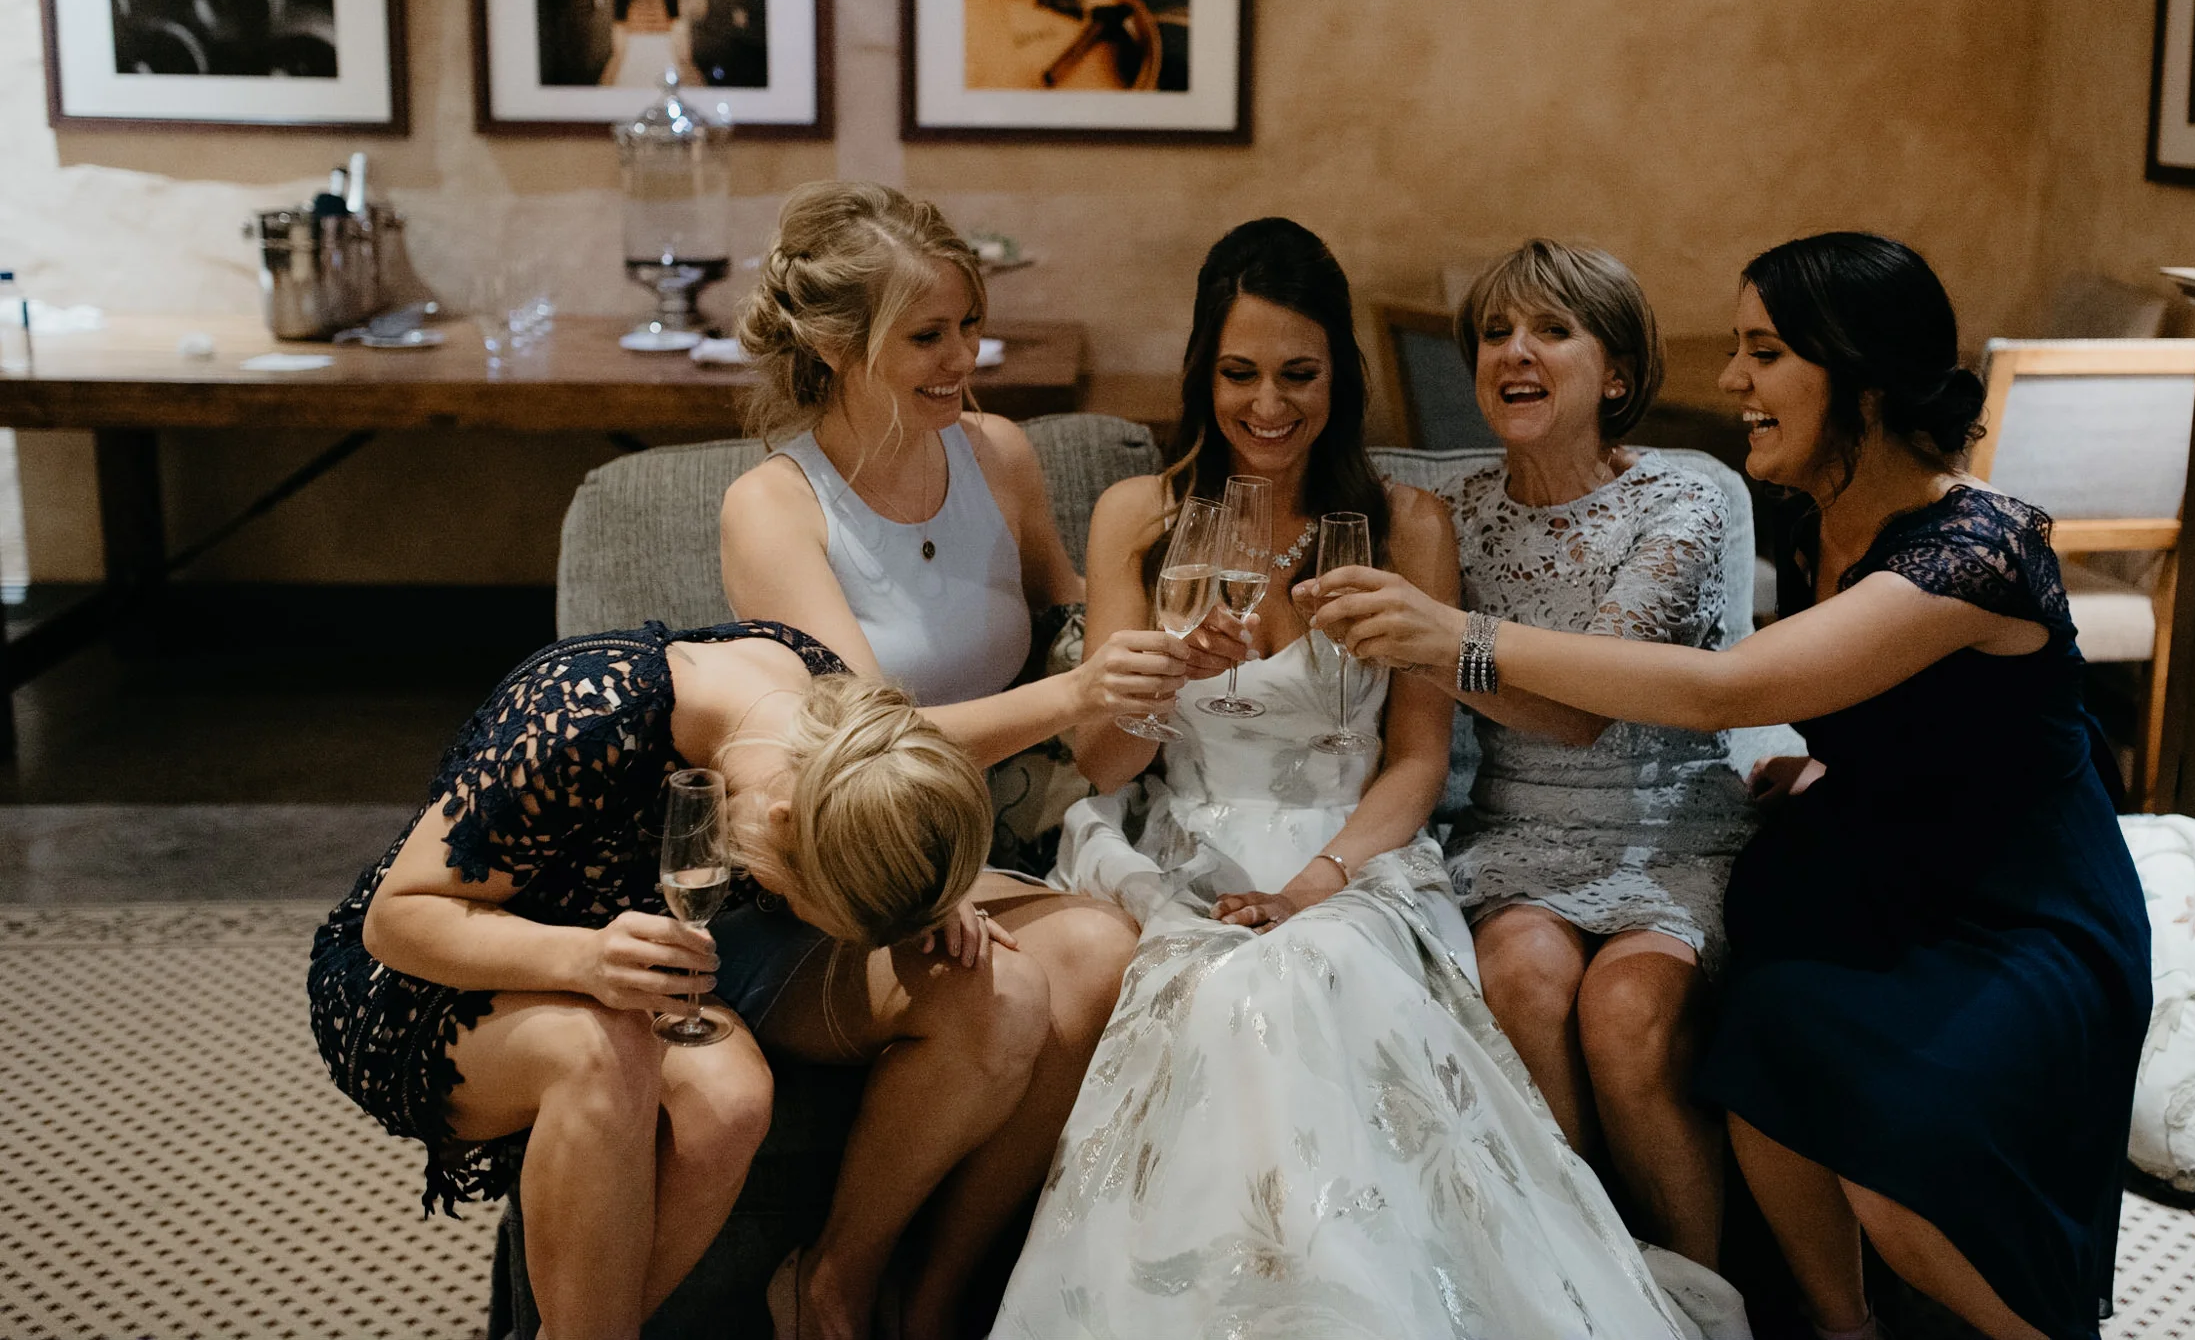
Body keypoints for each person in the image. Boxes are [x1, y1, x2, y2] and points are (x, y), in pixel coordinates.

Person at [1308, 232, 2154, 1340]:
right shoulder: (1822, 518)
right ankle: (1828, 1324)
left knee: (1901, 1163)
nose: (1730, 380)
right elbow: (1885, 698)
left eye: (1763, 351)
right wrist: (1845, 759)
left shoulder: (1978, 543)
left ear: (1852, 369)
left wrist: (1454, 637)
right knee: (1767, 1052)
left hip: (2014, 905)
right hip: (1869, 860)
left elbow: (1725, 688)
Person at [989, 218, 1744, 1340]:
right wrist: (1150, 685)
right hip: (1179, 841)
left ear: (1337, 376)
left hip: (1355, 846)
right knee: (1220, 988)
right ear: (1204, 372)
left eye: (1299, 374)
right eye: (1240, 373)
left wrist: (1317, 883)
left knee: (1306, 966)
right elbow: (1106, 764)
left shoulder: (1404, 522)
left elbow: (1418, 761)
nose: (1268, 406)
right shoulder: (1138, 518)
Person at [716, 181, 1155, 1340]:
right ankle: (832, 1279)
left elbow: (1074, 627)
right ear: (830, 343)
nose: (966, 357)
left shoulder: (999, 455)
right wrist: (1071, 693)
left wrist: (1161, 653)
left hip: (986, 842)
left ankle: (940, 1294)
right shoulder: (774, 508)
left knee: (1106, 953)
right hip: (827, 869)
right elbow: (865, 741)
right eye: (928, 335)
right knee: (1003, 993)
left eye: (970, 324)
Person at [309, 622, 1010, 1340]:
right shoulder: (588, 715)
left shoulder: (826, 730)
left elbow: (885, 778)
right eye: (806, 902)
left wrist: (913, 869)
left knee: (731, 1100)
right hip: (429, 975)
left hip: (614, 965)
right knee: (597, 1052)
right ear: (782, 822)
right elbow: (395, 922)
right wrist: (583, 959)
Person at [1425, 238, 1755, 1268]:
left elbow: (1588, 702)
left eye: (1550, 331)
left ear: (1614, 372)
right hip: (1517, 831)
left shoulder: (1683, 501)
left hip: (1664, 832)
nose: (1513, 352)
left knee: (1624, 1013)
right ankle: (1580, 1278)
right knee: (1520, 980)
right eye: (1493, 333)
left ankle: (1703, 1297)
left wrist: (1430, 644)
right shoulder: (1450, 515)